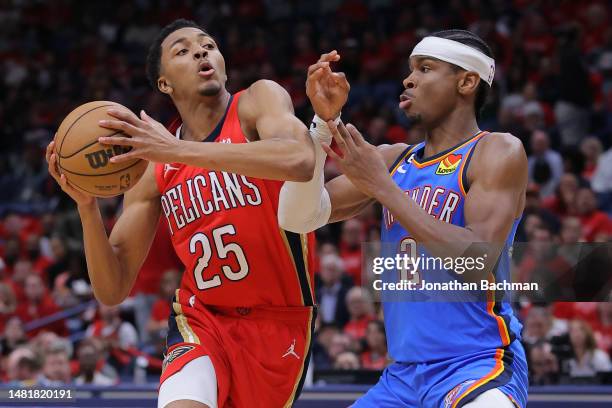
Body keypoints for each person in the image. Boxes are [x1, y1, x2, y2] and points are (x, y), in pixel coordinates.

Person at [46, 18, 347, 408]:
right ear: (164, 83)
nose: (201, 52)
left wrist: (175, 151)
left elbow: (300, 159)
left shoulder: (256, 101)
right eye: (183, 51)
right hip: (200, 317)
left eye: (208, 45)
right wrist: (87, 207)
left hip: (280, 321)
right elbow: (112, 287)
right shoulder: (153, 161)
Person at [281, 30, 529, 407]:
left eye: (425, 69)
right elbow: (299, 217)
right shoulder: (393, 159)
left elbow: (478, 262)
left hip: (478, 366)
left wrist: (385, 189)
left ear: (467, 81)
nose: (408, 79)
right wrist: (320, 126)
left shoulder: (497, 151)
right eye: (410, 69)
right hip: (402, 377)